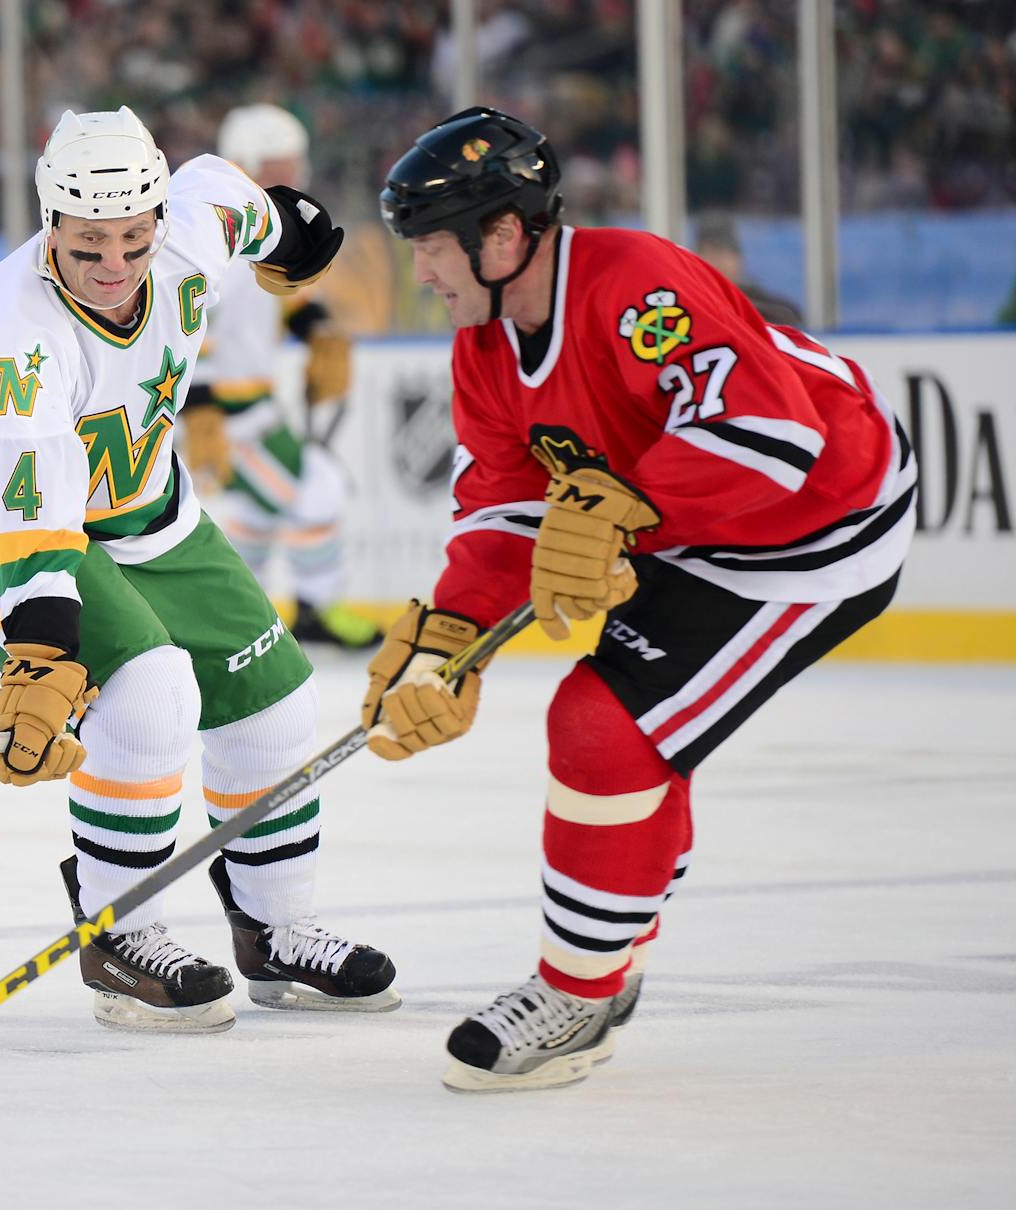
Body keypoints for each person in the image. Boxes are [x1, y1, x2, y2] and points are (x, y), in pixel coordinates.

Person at [367, 108, 916, 1091]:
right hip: (698, 526)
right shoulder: (484, 347)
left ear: (502, 236)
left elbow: (770, 435)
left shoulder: (632, 284)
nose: (422, 274)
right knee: (626, 734)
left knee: (606, 726)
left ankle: (578, 995)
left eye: (432, 249)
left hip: (815, 522)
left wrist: (630, 505)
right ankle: (608, 936)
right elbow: (501, 503)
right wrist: (449, 645)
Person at [0, 106, 399, 1032]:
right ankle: (122, 934)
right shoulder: (17, 330)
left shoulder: (188, 224)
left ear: (158, 215)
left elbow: (250, 206)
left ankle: (276, 931)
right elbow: (31, 513)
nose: (116, 266)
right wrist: (40, 657)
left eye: (132, 238)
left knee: (277, 700)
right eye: (87, 246)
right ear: (49, 226)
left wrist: (296, 237)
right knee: (148, 695)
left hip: (142, 500)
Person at [180, 104, 379, 649]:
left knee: (254, 513)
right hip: (221, 410)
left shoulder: (270, 227)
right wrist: (197, 407)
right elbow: (191, 323)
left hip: (252, 403)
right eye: (276, 165)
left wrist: (318, 331)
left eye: (293, 165)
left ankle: (244, 617)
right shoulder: (207, 229)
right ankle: (316, 607)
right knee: (317, 489)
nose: (289, 178)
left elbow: (287, 300)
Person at [692, 212, 804, 327]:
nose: (717, 263)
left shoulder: (777, 310)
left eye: (724, 253)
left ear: (739, 258)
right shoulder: (690, 308)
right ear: (696, 261)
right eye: (710, 254)